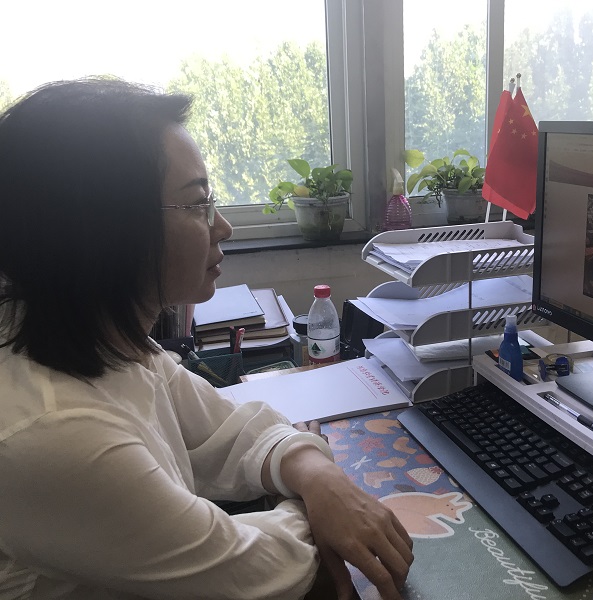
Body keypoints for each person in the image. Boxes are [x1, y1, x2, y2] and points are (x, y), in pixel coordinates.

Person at [0, 79, 413, 600]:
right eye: (197, 205)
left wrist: (314, 472)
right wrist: (319, 505)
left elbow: (227, 431)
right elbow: (252, 571)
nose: (223, 227)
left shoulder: (105, 340)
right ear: (108, 230)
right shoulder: (53, 432)